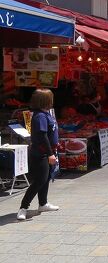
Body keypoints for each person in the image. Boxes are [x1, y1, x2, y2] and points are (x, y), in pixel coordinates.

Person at [17, 89, 60, 221]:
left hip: (47, 152)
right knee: (39, 180)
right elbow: (42, 136)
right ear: (46, 101)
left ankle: (43, 203)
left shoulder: (45, 114)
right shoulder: (40, 116)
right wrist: (50, 154)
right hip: (41, 153)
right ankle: (23, 207)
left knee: (46, 178)